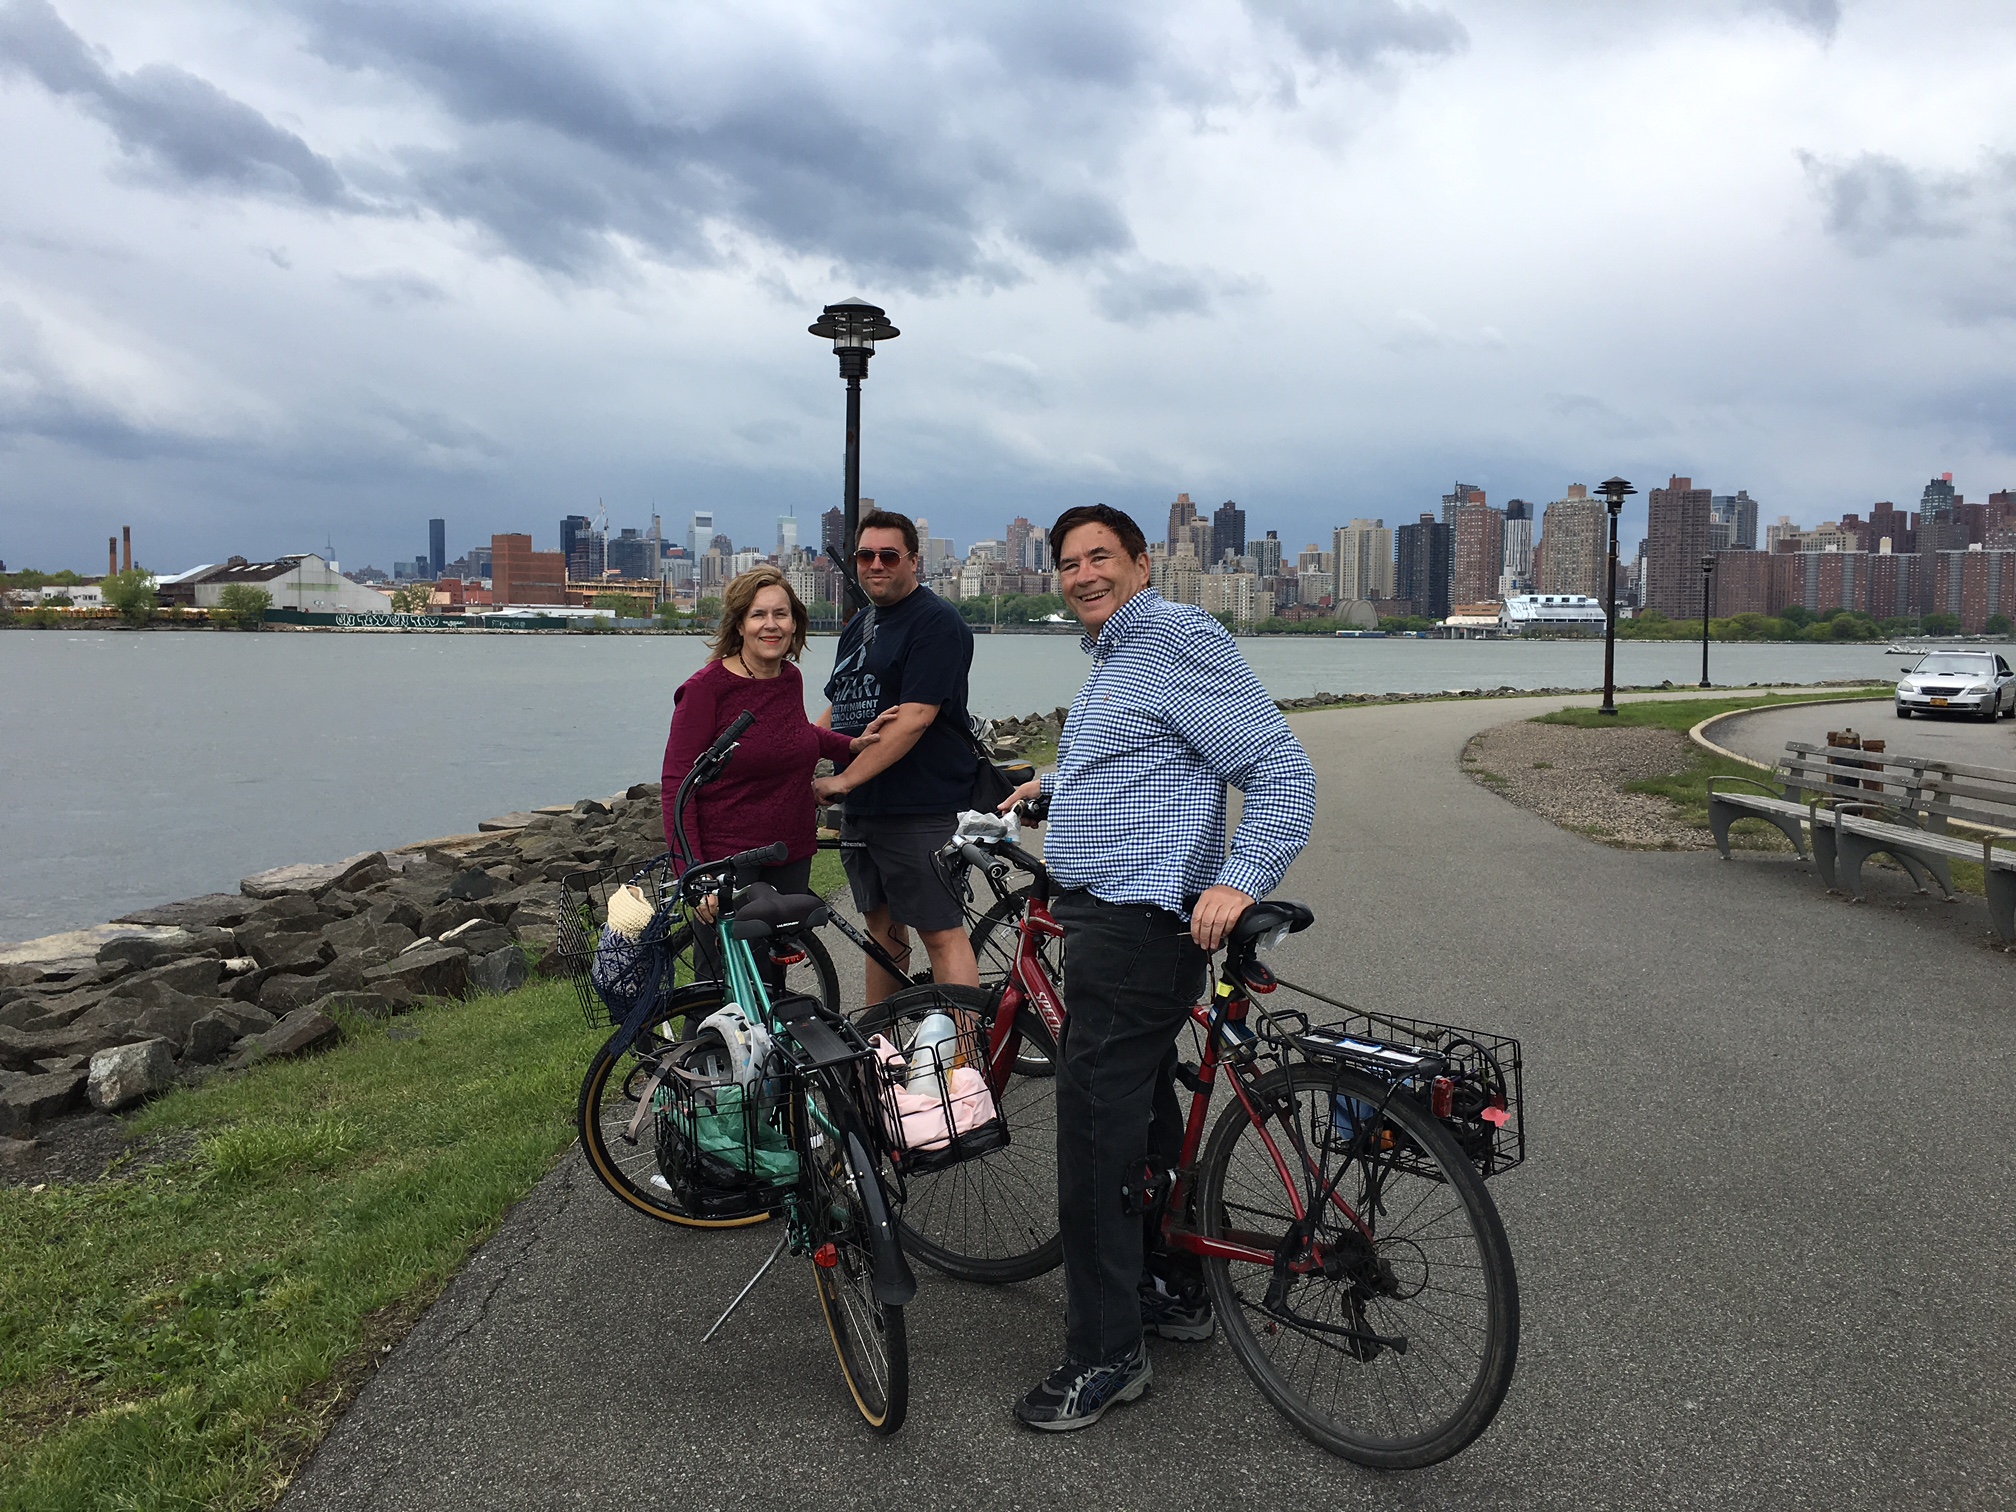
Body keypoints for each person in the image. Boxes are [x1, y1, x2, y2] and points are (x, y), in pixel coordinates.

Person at [998, 503, 1316, 1432]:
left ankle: (1104, 1354)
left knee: (1093, 1131)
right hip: (1110, 915)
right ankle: (1171, 1283)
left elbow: (1280, 771)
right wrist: (1051, 788)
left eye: (1102, 557)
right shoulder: (1114, 658)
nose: (1083, 574)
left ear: (1143, 562)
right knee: (1141, 1107)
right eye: (1068, 563)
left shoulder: (1173, 636)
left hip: (1140, 927)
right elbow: (1147, 761)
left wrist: (1239, 878)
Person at [661, 567, 884, 978]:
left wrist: (851, 745)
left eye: (781, 614)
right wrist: (693, 875)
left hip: (789, 852)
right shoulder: (705, 689)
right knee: (721, 987)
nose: (771, 625)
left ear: (794, 622)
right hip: (729, 859)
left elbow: (795, 735)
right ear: (740, 624)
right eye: (758, 614)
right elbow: (678, 786)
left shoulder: (788, 677)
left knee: (772, 980)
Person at [813, 509, 982, 1003]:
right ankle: (882, 1051)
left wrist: (841, 782)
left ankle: (966, 1064)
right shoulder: (860, 624)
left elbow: (915, 718)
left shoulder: (936, 622)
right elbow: (837, 705)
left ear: (914, 561)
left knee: (940, 933)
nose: (876, 564)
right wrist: (796, 755)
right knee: (882, 935)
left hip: (918, 807)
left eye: (889, 555)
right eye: (866, 555)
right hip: (865, 811)